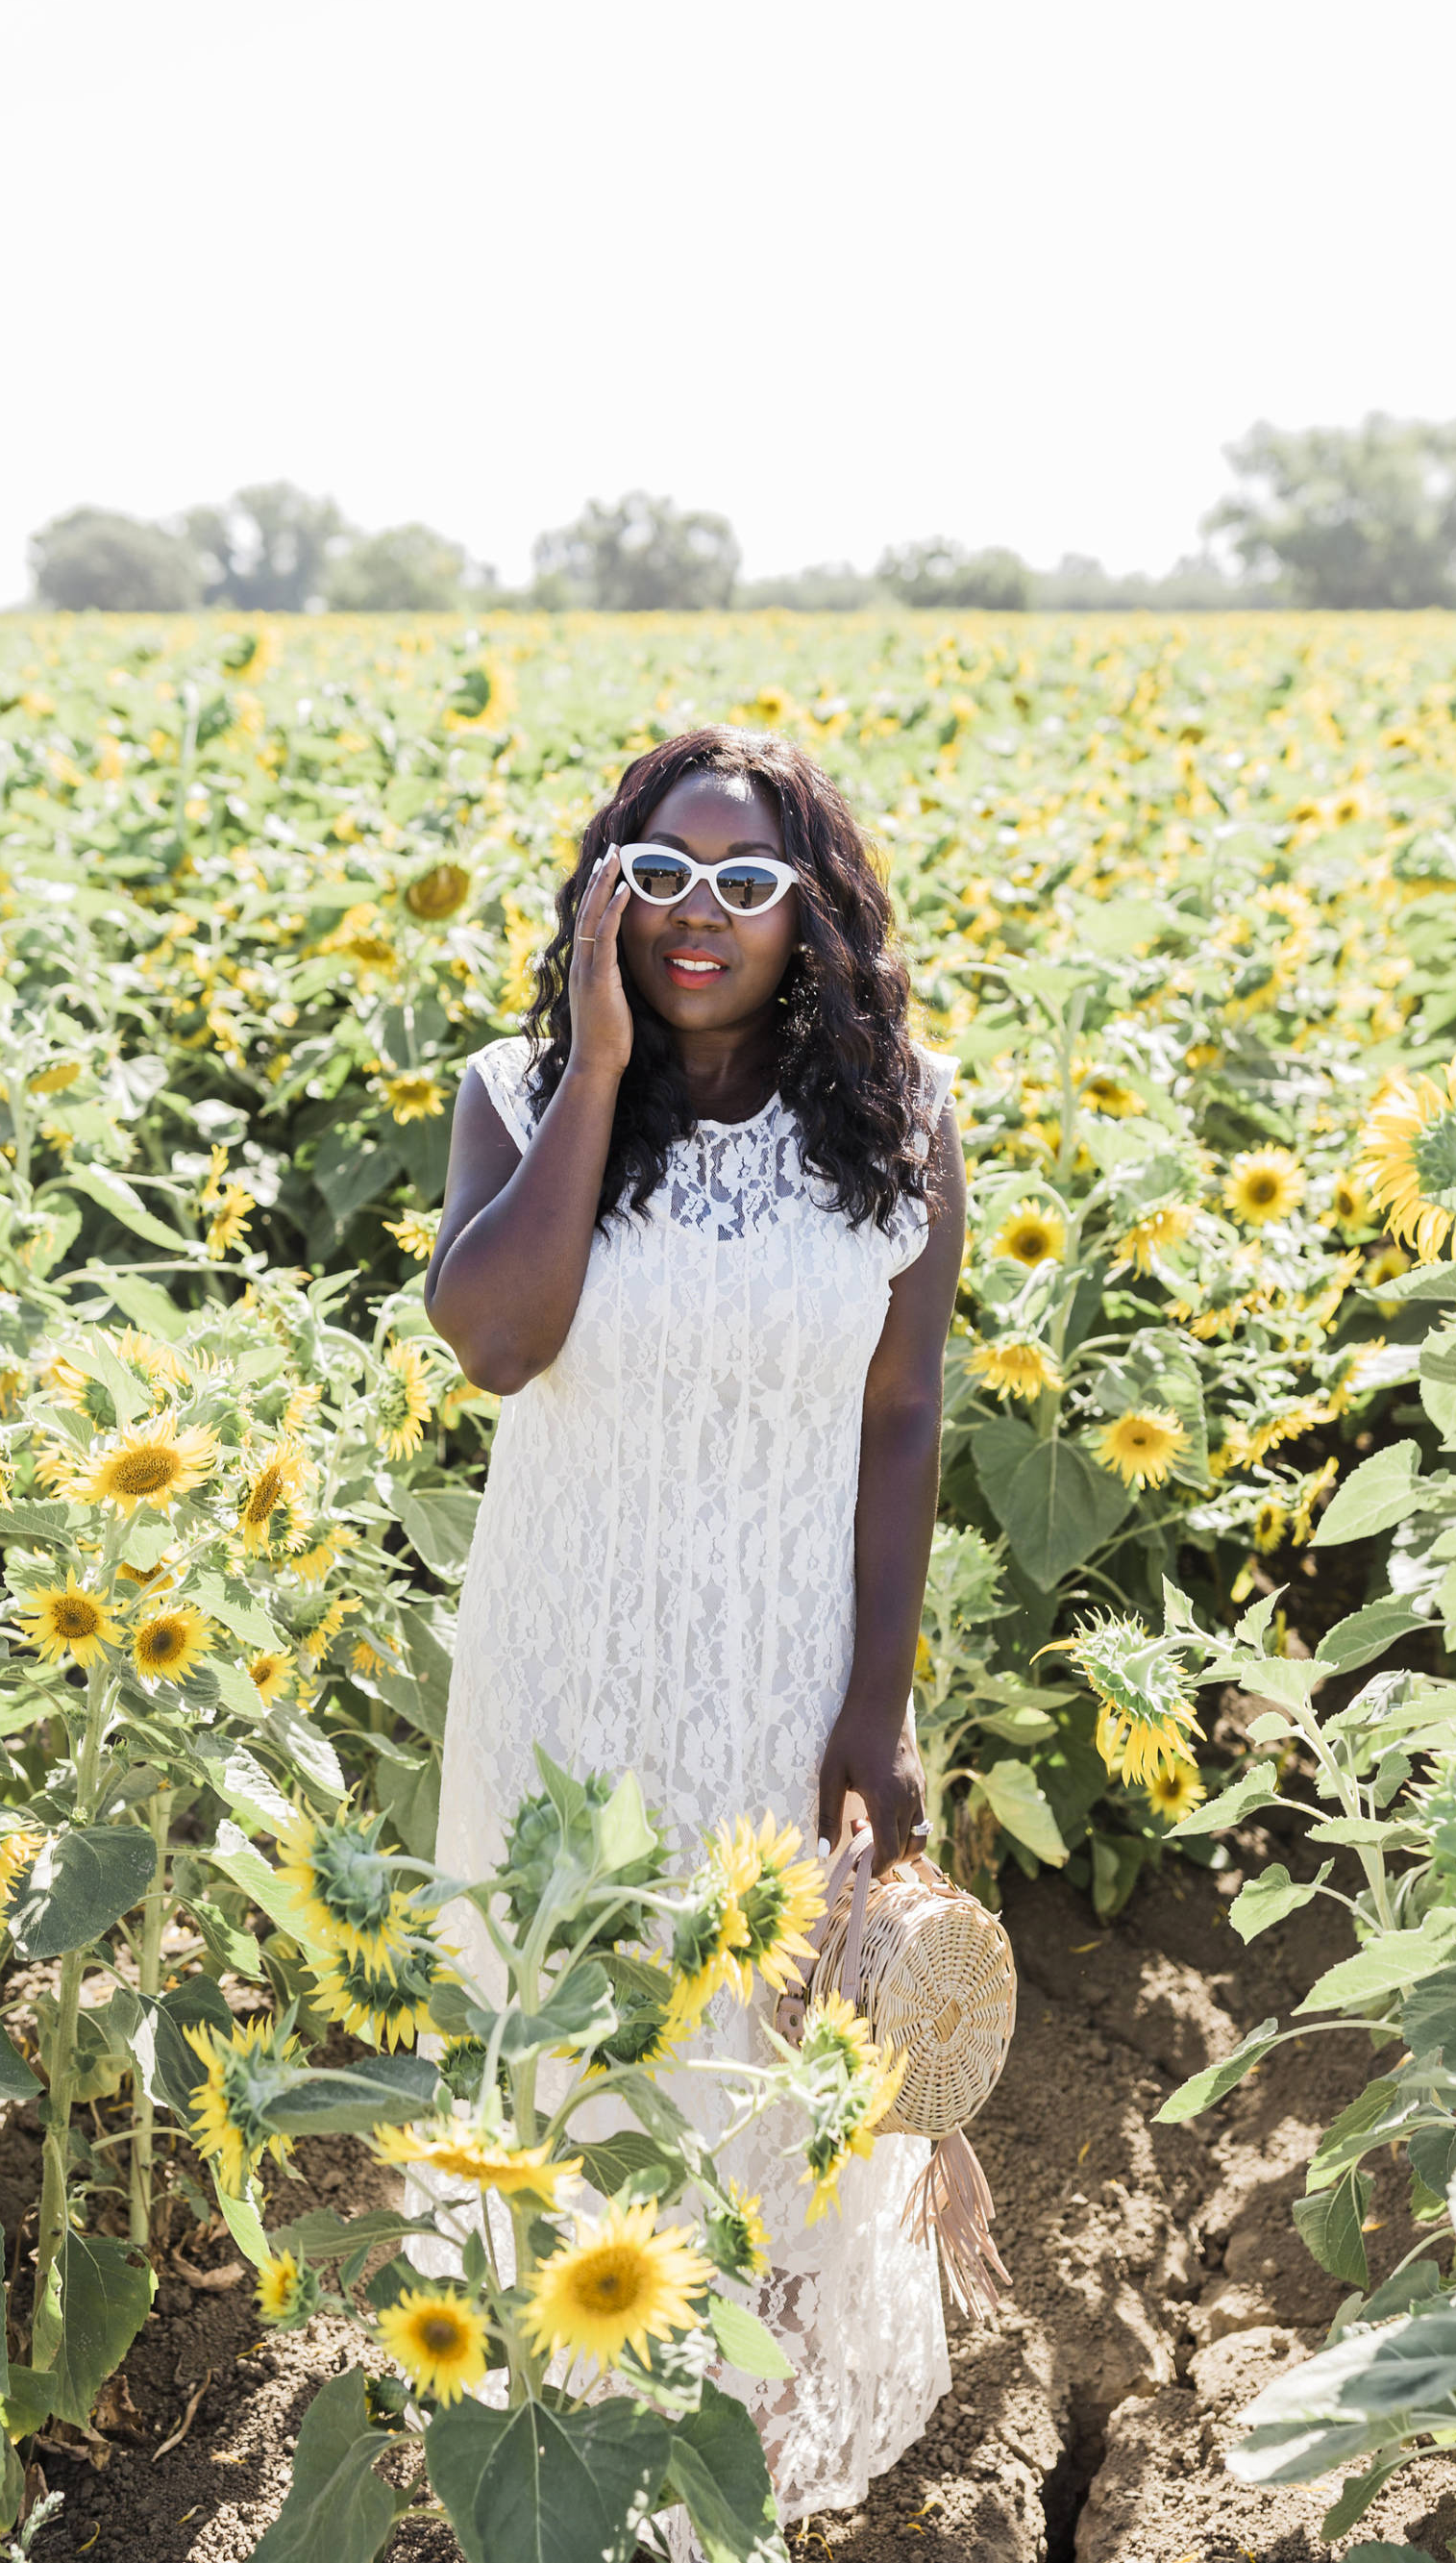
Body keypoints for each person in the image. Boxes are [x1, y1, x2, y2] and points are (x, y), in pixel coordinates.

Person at [422, 723, 965, 2539]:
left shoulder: (902, 1123)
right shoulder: (515, 1092)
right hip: (568, 1674)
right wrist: (597, 1061)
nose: (697, 916)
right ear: (605, 899)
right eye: (656, 878)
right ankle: (567, 2444)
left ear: (815, 914)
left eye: (745, 881)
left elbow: (902, 1414)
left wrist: (876, 1714)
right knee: (575, 2044)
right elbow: (499, 1339)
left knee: (753, 2055)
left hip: (779, 1671)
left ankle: (719, 2466)